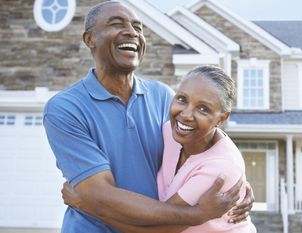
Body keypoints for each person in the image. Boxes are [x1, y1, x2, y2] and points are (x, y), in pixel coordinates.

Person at [43, 1, 253, 233]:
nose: (132, 32)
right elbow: (101, 197)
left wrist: (237, 181)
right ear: (89, 39)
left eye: (138, 27)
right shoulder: (65, 109)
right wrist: (198, 214)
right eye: (116, 24)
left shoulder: (163, 96)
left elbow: (203, 143)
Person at [63, 66, 257, 233]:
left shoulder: (219, 170)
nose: (186, 115)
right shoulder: (170, 133)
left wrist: (85, 204)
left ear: (221, 119)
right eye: (182, 99)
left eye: (203, 109)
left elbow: (158, 229)